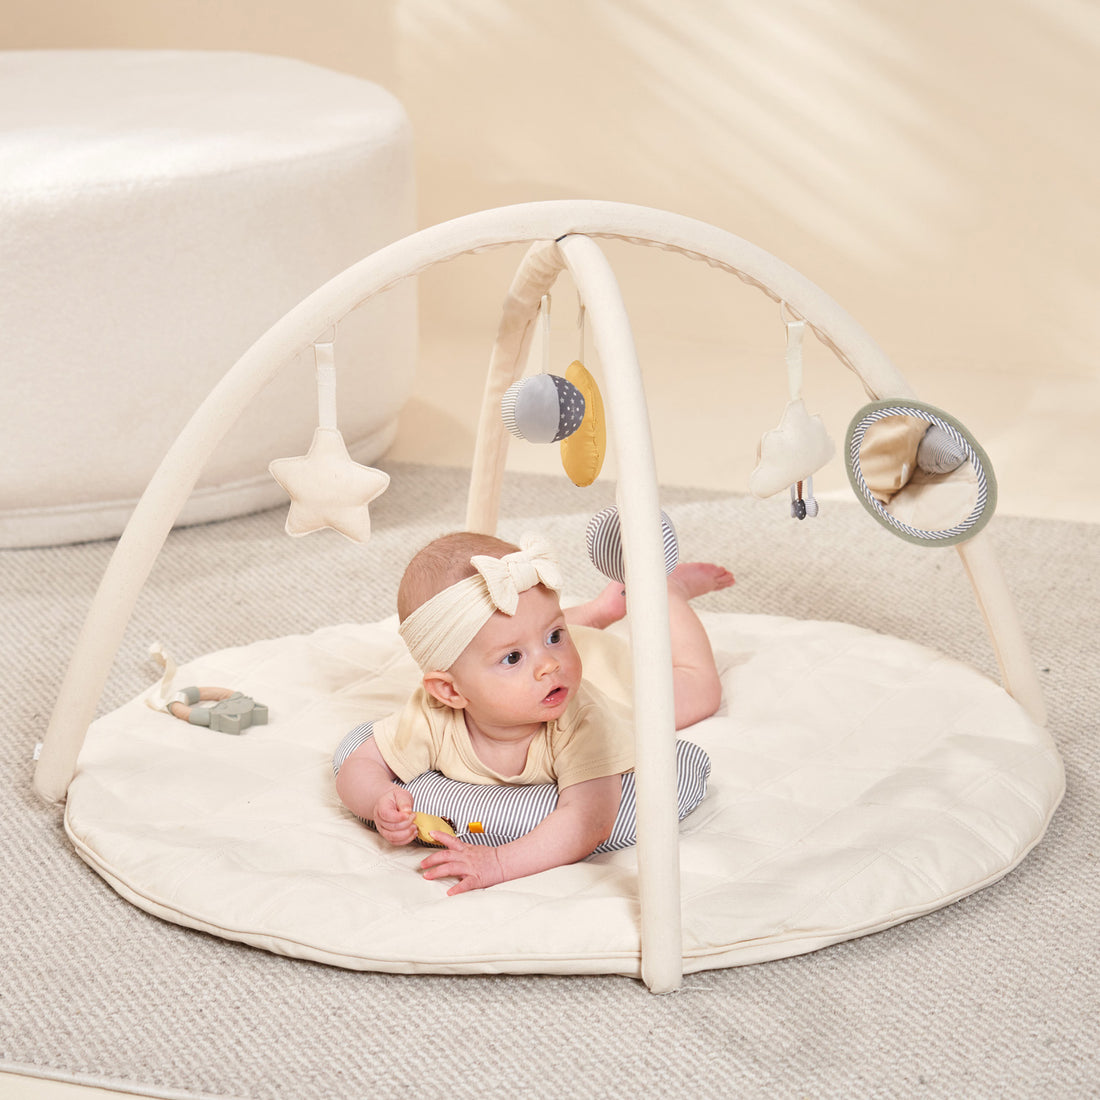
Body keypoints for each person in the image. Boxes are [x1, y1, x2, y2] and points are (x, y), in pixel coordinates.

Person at [334, 531, 733, 895]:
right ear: (451, 691)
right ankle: (591, 616)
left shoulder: (582, 721)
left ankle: (667, 590)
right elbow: (363, 761)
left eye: (556, 635)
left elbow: (590, 821)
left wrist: (499, 863)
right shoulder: (434, 714)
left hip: (616, 684)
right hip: (570, 661)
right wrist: (379, 800)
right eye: (511, 657)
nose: (549, 665)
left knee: (699, 691)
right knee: (529, 632)